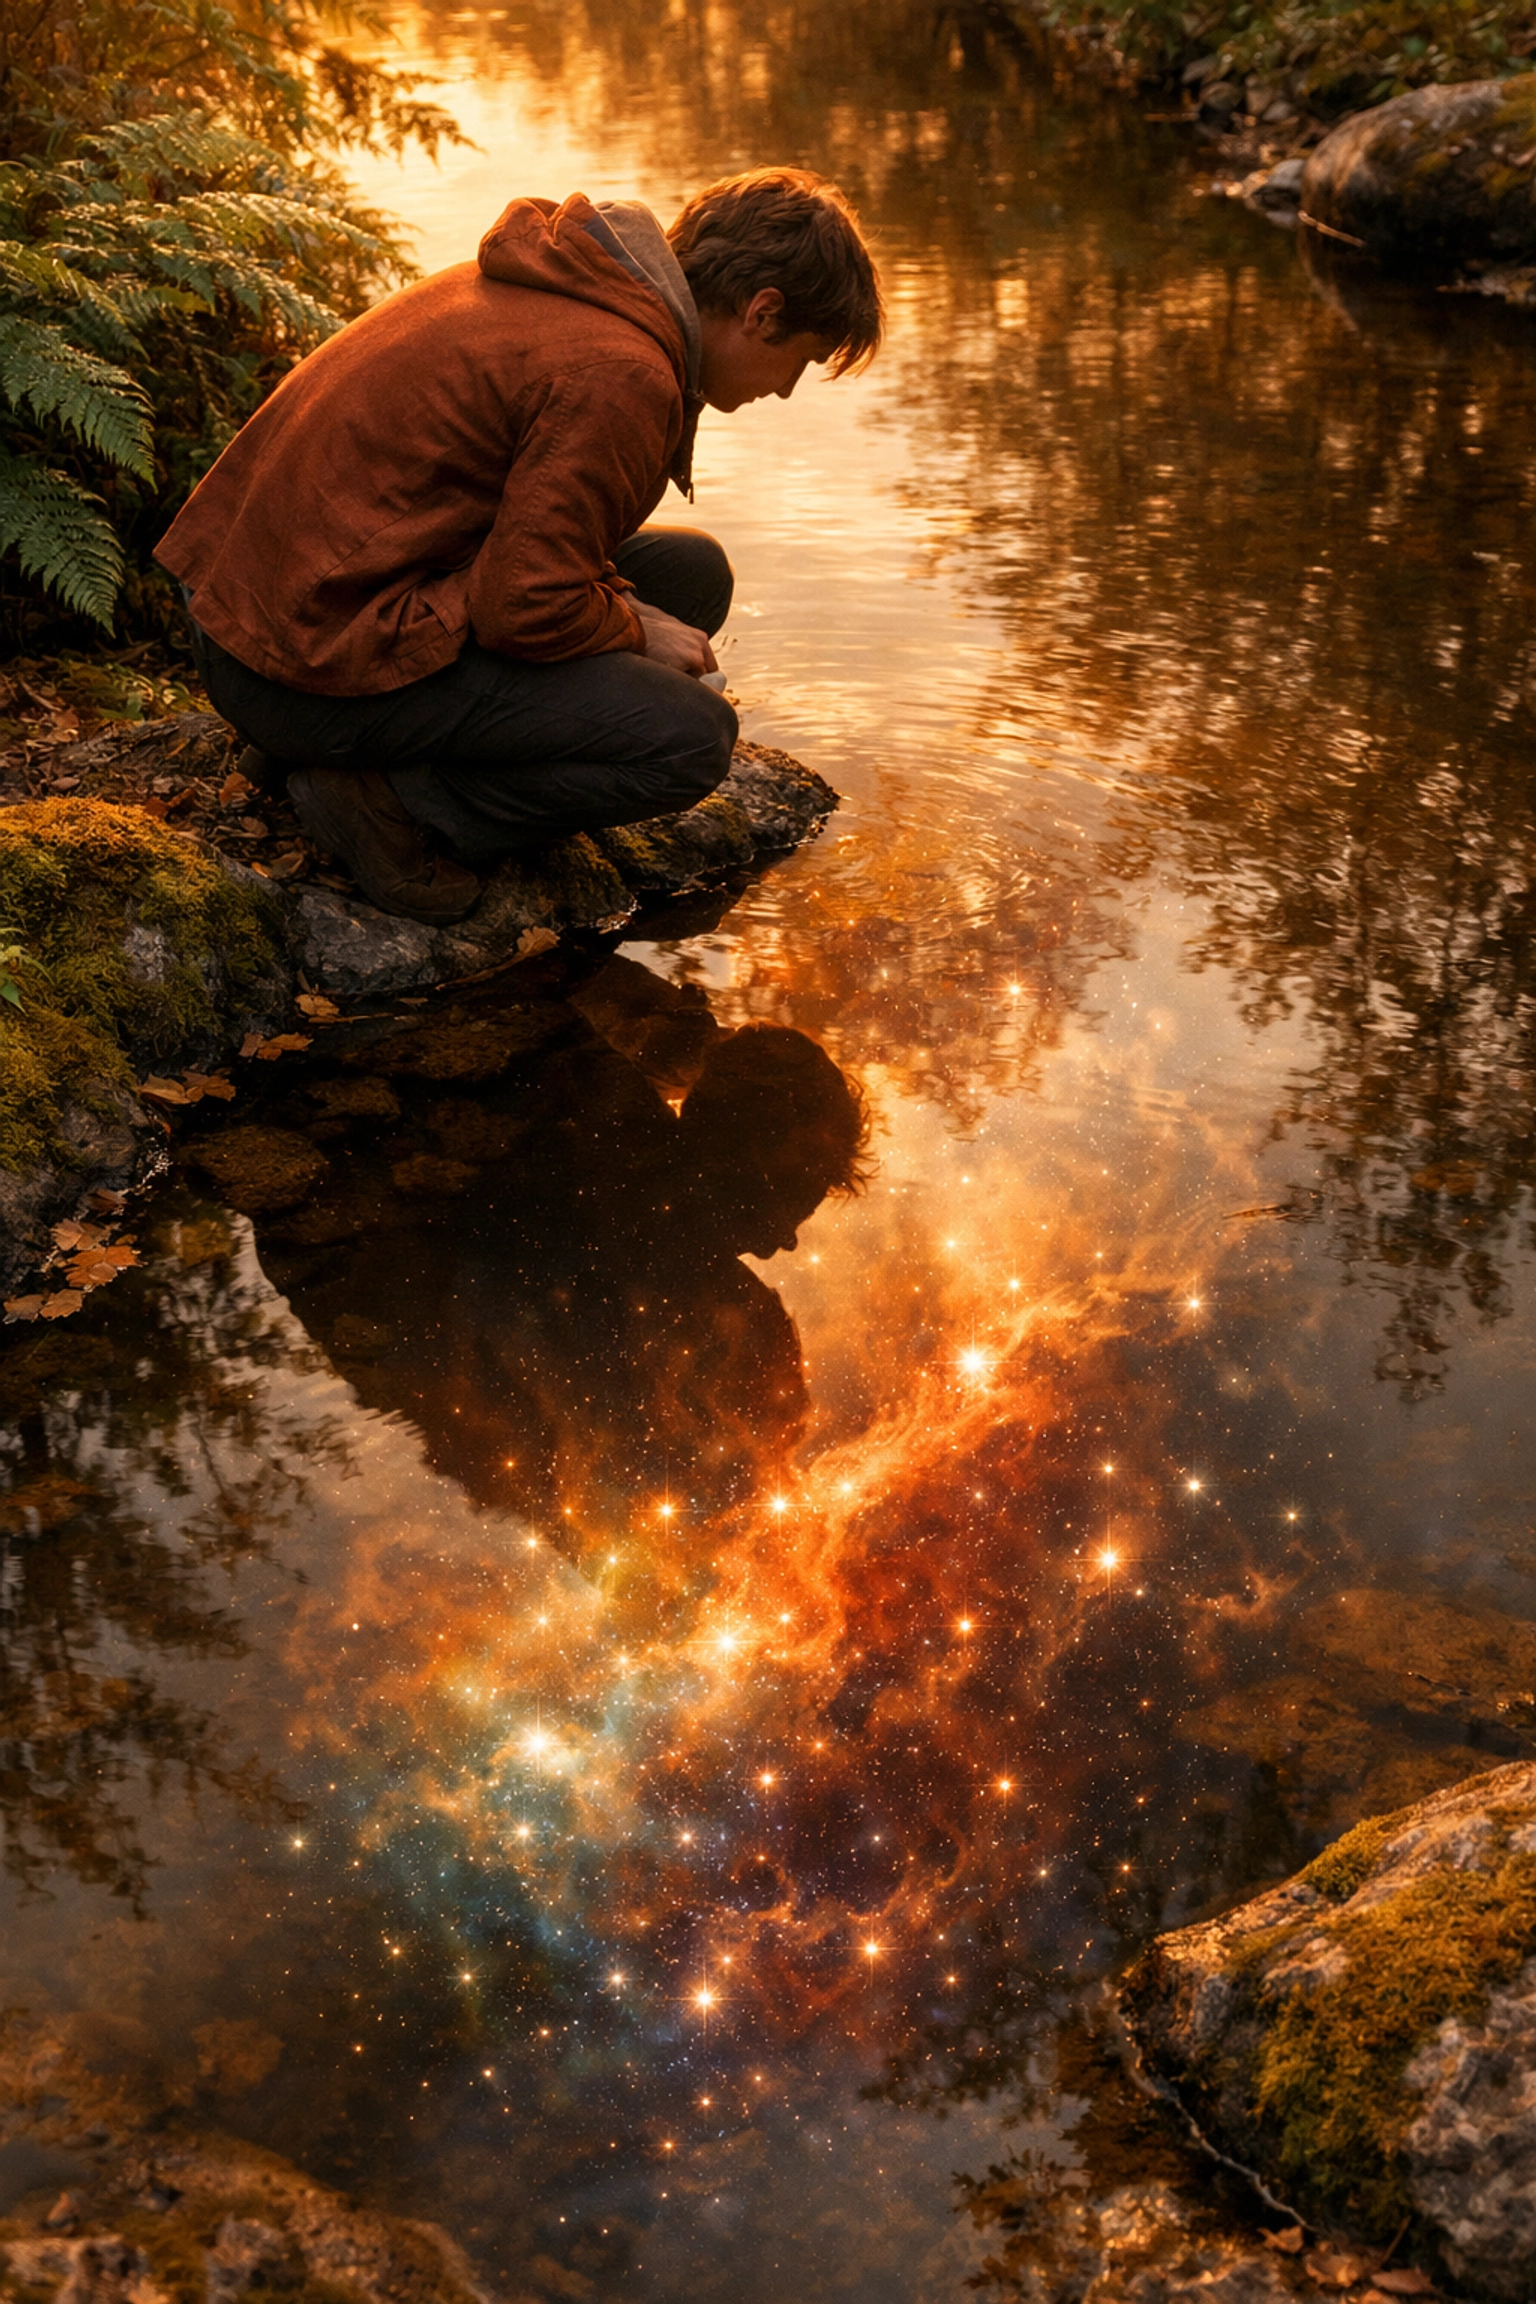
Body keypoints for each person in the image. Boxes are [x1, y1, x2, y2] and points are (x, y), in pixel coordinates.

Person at [156, 169, 882, 924]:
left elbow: (530, 544)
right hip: (289, 665)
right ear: (763, 312)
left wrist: (634, 610)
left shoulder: (581, 282)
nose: (788, 390)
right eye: (803, 358)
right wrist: (634, 626)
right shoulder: (623, 370)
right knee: (690, 741)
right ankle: (386, 800)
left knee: (689, 575)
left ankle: (328, 748)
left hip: (262, 611)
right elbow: (521, 608)